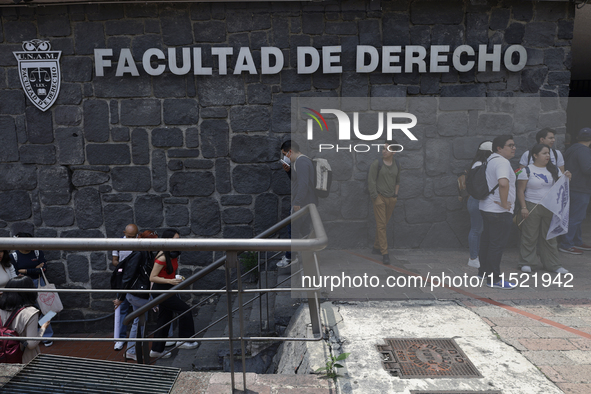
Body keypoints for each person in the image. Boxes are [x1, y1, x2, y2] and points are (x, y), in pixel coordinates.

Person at [517, 144, 571, 274]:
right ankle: (527, 262)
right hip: (531, 204)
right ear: (535, 155)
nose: (548, 156)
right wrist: (523, 207)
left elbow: (561, 187)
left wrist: (567, 177)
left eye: (549, 154)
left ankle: (553, 264)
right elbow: (520, 190)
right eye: (544, 153)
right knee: (529, 235)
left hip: (550, 206)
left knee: (550, 236)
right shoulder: (526, 170)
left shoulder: (555, 170)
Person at [149, 229, 198, 359]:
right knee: (185, 310)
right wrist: (170, 280)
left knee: (164, 318)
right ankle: (185, 340)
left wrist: (174, 278)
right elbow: (152, 277)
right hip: (161, 290)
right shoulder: (163, 256)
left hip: (167, 288)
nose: (179, 241)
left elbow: (166, 272)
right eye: (176, 239)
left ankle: (156, 350)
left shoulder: (172, 253)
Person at [478, 135, 517, 289]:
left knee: (487, 242)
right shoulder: (502, 162)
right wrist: (503, 202)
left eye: (514, 145)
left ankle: (483, 272)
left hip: (487, 208)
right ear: (499, 148)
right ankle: (494, 279)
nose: (514, 148)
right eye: (510, 145)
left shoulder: (491, 160)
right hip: (499, 211)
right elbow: (503, 183)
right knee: (496, 245)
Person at [113, 230, 159, 361]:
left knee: (138, 320)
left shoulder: (147, 253)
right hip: (136, 294)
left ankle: (132, 350)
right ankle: (159, 347)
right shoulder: (139, 254)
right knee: (163, 307)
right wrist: (120, 298)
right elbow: (128, 276)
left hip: (139, 293)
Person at [277, 140, 318, 268]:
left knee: (293, 227)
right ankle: (308, 257)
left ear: (290, 152)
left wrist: (297, 202)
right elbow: (297, 181)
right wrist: (289, 171)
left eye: (285, 154)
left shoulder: (301, 161)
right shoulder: (300, 162)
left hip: (302, 201)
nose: (285, 157)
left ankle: (291, 257)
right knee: (304, 229)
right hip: (306, 201)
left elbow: (303, 185)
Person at [9, 233, 53, 346]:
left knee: (47, 310)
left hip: (39, 283)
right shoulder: (14, 256)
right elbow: (15, 273)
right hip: (22, 285)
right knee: (27, 311)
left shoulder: (37, 252)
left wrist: (25, 271)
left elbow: (43, 269)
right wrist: (34, 269)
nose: (29, 245)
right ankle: (30, 336)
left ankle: (45, 335)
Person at [0, 277, 50, 363]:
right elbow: (31, 344)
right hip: (23, 357)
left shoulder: (1, 307)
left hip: (2, 355)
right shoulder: (30, 312)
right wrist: (43, 327)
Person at [559, 127, 591, 254]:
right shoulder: (584, 151)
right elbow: (587, 169)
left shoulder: (572, 148)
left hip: (573, 186)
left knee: (577, 216)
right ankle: (566, 244)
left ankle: (577, 241)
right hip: (580, 188)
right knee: (575, 217)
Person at [368, 143, 401, 265]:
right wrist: (375, 197)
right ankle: (385, 253)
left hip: (391, 198)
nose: (384, 151)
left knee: (383, 224)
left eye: (387, 149)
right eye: (383, 149)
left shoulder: (397, 164)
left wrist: (395, 196)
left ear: (394, 152)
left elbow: (398, 180)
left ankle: (376, 246)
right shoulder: (377, 164)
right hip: (379, 198)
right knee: (382, 225)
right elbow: (371, 181)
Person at [466, 141, 493, 269]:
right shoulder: (479, 165)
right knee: (476, 229)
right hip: (477, 200)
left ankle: (477, 256)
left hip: (480, 200)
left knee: (479, 229)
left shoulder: (479, 164)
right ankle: (473, 257)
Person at [112, 223, 138, 351]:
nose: (131, 240)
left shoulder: (140, 242)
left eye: (134, 237)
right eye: (129, 237)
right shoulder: (118, 243)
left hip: (137, 281)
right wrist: (125, 266)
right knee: (122, 308)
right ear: (124, 233)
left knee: (137, 310)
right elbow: (114, 260)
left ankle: (134, 339)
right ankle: (120, 338)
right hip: (123, 280)